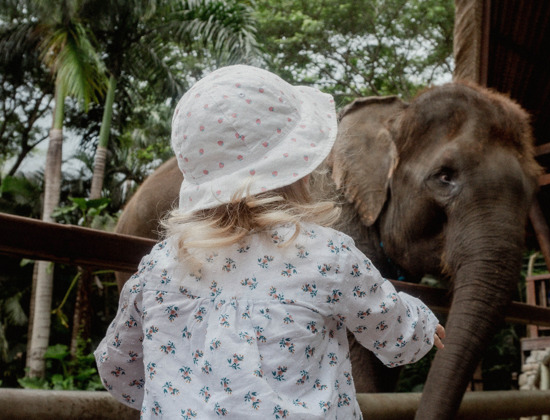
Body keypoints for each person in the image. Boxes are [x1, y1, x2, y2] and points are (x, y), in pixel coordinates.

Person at [95, 65, 445, 419]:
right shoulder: (329, 255)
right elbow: (396, 338)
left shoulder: (158, 266)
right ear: (301, 168)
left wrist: (177, 390)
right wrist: (425, 325)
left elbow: (118, 368)